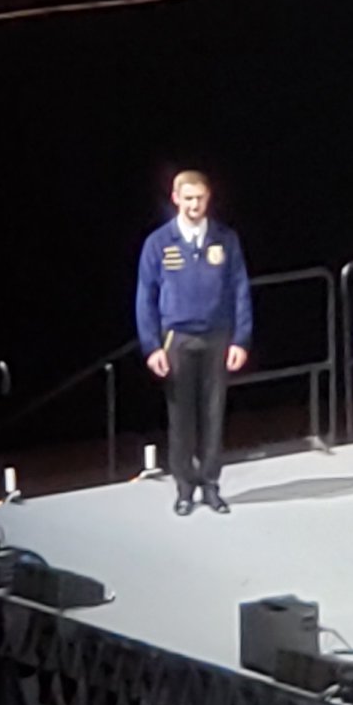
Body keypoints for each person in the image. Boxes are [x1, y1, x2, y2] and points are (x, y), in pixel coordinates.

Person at [136, 170, 252, 516]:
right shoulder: (159, 242)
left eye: (199, 198)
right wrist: (151, 346)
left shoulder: (225, 239)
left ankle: (211, 485)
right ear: (175, 199)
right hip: (178, 339)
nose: (194, 205)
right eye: (188, 198)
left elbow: (241, 290)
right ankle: (185, 488)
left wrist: (241, 339)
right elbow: (145, 296)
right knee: (181, 417)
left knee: (214, 414)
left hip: (217, 336)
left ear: (208, 199)